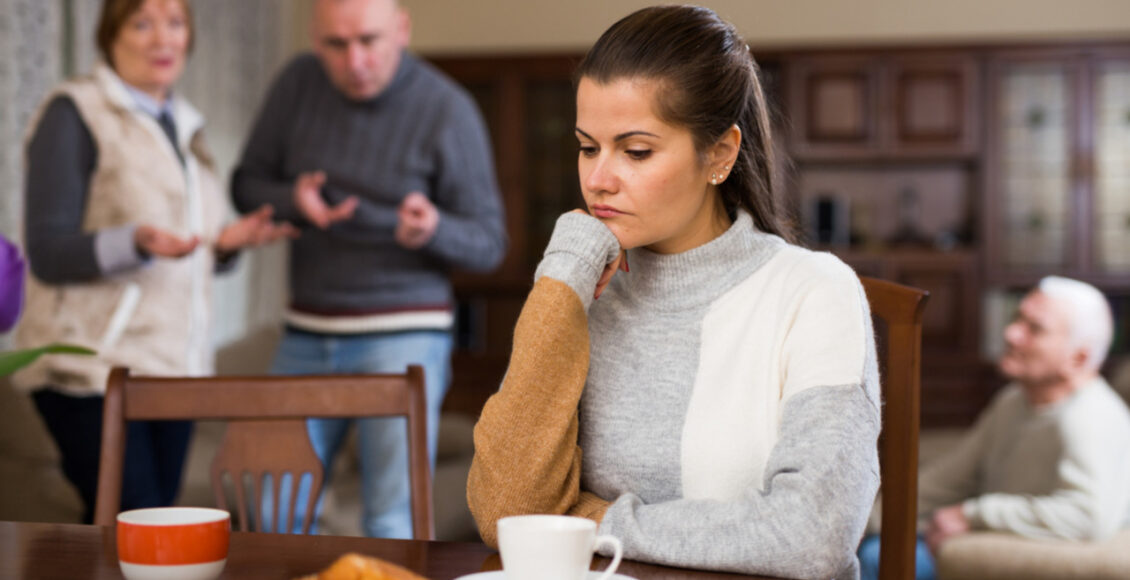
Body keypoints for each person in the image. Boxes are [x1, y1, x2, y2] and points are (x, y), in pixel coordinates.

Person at [466, 6, 879, 578]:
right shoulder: (584, 291)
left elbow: (813, 537)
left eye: (636, 151)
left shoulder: (814, 292)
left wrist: (591, 520)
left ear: (720, 154)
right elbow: (509, 512)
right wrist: (561, 274)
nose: (598, 179)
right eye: (588, 147)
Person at [11, 0, 295, 524]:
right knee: (136, 529)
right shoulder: (74, 113)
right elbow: (48, 252)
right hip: (91, 370)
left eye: (175, 22)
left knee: (146, 537)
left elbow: (183, 258)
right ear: (110, 35)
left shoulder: (183, 126)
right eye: (142, 23)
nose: (161, 38)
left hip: (173, 371)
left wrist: (224, 243)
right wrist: (134, 241)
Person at [230, 0, 506, 538]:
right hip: (307, 331)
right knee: (270, 514)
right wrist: (292, 199)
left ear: (401, 30)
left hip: (404, 335)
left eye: (369, 41)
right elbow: (246, 185)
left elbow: (490, 243)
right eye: (336, 44)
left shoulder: (447, 107)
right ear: (314, 38)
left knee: (392, 516)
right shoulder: (295, 85)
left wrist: (432, 231)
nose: (354, 61)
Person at [857, 276, 1130, 580]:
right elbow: (949, 480)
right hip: (982, 541)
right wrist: (864, 522)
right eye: (1017, 319)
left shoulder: (1093, 417)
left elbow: (1088, 516)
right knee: (871, 547)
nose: (1011, 333)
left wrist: (973, 515)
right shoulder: (1013, 400)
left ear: (1078, 358)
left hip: (1025, 558)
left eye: (1034, 329)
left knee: (875, 558)